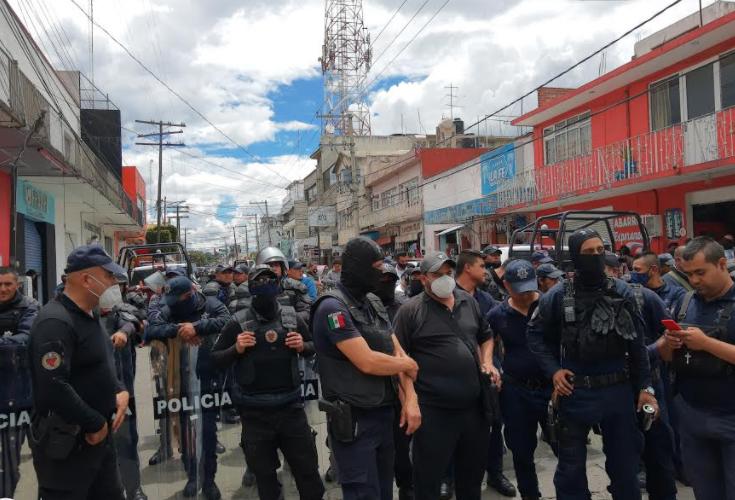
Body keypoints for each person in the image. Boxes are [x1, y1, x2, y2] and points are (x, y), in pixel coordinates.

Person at [527, 229, 657, 499]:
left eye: (600, 250)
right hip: (576, 393)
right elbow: (535, 335)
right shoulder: (559, 294)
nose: (596, 257)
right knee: (570, 471)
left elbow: (637, 345)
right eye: (588, 253)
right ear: (575, 256)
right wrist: (554, 371)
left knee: (625, 468)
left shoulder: (622, 290)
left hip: (617, 391)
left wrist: (646, 387)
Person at [311, 236, 419, 500]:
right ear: (358, 267)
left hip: (384, 414)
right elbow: (368, 361)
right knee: (363, 493)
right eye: (376, 266)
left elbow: (395, 349)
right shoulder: (332, 308)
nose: (381, 273)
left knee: (384, 490)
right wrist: (407, 364)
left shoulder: (372, 301)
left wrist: (411, 398)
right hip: (355, 420)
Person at [211, 265, 325, 500]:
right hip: (255, 415)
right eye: (259, 280)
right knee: (266, 482)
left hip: (291, 410)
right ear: (251, 287)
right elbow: (215, 359)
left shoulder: (291, 317)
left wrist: (302, 346)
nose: (265, 284)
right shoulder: (238, 321)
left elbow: (314, 347)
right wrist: (236, 348)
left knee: (309, 476)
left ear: (278, 285)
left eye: (270, 279)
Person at [28, 245, 130, 500]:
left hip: (99, 444)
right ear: (86, 279)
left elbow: (99, 361)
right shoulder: (55, 322)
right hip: (69, 447)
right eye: (109, 276)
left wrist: (118, 389)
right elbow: (52, 387)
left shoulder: (90, 315)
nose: (114, 284)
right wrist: (94, 422)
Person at [394, 252, 496, 500]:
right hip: (434, 414)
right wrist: (409, 400)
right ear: (424, 278)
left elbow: (486, 335)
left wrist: (488, 362)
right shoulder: (411, 311)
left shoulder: (468, 301)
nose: (444, 279)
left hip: (474, 409)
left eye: (448, 274)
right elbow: (399, 361)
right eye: (437, 275)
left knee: (471, 481)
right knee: (428, 482)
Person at [659, 237, 735, 499]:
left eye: (701, 273)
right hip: (692, 415)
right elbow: (668, 357)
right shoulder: (686, 302)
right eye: (689, 274)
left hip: (730, 417)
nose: (694, 281)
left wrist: (706, 343)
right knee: (704, 491)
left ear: (722, 264)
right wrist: (669, 343)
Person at [145, 276, 231, 499]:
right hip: (179, 381)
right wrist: (180, 331)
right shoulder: (169, 308)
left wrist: (197, 327)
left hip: (206, 378)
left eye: (178, 299)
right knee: (186, 435)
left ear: (189, 294)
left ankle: (209, 481)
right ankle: (193, 477)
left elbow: (227, 321)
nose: (173, 304)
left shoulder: (210, 304)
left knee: (208, 433)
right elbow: (151, 330)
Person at [488, 260, 555, 500]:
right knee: (522, 451)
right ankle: (530, 495)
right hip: (516, 391)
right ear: (506, 285)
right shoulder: (497, 314)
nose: (527, 295)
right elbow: (485, 342)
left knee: (566, 446)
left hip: (553, 388)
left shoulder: (548, 305)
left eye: (530, 288)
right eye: (520, 290)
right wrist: (492, 367)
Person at [616, 261, 678, 500]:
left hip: (650, 386)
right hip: (614, 391)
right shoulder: (586, 302)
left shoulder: (646, 298)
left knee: (659, 450)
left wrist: (653, 351)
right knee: (623, 457)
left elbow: (669, 335)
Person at [454, 250, 514, 498]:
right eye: (481, 265)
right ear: (467, 268)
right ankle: (450, 478)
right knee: (456, 428)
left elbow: (492, 334)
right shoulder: (446, 296)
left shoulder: (486, 299)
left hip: (488, 373)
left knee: (494, 422)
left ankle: (496, 473)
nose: (486, 271)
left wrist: (491, 363)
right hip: (456, 375)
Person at [99, 282, 148, 500]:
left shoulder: (122, 311)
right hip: (93, 393)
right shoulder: (82, 315)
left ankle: (133, 488)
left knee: (128, 441)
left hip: (124, 392)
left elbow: (133, 322)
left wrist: (123, 333)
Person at [0, 267, 39, 498]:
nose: (3, 289)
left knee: (33, 455)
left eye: (8, 284)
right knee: (7, 461)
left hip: (24, 394)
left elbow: (25, 340)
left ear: (18, 285)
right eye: (0, 284)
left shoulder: (30, 307)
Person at [255, 247, 312, 322]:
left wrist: (287, 319)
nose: (274, 268)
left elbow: (307, 312)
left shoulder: (295, 287)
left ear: (282, 268)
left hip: (290, 330)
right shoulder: (254, 288)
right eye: (270, 265)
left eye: (276, 265)